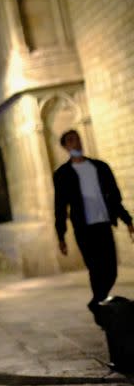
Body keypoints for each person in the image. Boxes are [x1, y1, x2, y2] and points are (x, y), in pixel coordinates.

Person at [53, 129, 134, 315]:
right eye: (71, 141)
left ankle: (97, 302)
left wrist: (127, 220)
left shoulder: (100, 167)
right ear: (65, 147)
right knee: (95, 268)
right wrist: (61, 235)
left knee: (111, 268)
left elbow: (114, 198)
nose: (76, 143)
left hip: (103, 223)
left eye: (78, 139)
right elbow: (60, 206)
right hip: (84, 227)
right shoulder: (63, 174)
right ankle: (100, 305)